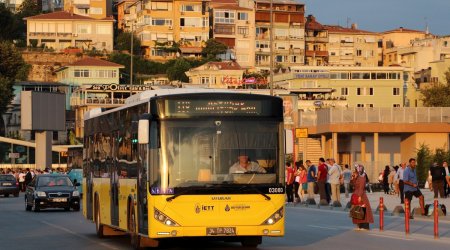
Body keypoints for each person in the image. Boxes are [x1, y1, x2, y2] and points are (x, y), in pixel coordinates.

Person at [350, 163, 374, 230]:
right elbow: (353, 185)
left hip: (361, 195)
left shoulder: (362, 177)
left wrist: (359, 196)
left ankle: (365, 226)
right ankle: (359, 225)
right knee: (356, 210)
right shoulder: (357, 177)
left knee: (363, 210)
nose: (355, 171)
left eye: (356, 169)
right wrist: (353, 178)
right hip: (356, 194)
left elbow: (361, 187)